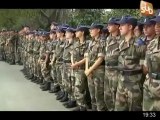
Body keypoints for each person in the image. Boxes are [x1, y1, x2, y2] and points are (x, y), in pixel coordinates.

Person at [114, 16, 146, 111]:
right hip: (121, 82)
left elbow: (145, 67)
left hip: (134, 84)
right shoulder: (121, 42)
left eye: (122, 25)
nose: (119, 27)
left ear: (130, 27)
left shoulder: (139, 44)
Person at [143, 9, 160, 111]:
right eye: (156, 23)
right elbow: (146, 67)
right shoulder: (152, 43)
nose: (157, 26)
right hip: (149, 86)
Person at [70, 26, 91, 111]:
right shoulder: (76, 43)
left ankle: (82, 107)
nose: (75, 33)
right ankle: (80, 105)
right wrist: (73, 63)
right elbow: (72, 54)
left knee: (79, 88)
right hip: (75, 68)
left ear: (82, 32)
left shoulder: (88, 43)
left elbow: (87, 57)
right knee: (76, 87)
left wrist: (77, 63)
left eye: (77, 31)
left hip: (82, 68)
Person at [104, 17, 121, 111]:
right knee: (107, 96)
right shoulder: (108, 39)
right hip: (107, 69)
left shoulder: (121, 39)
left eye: (110, 25)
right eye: (108, 25)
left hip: (116, 71)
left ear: (117, 26)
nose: (108, 27)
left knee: (115, 96)